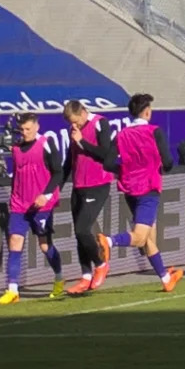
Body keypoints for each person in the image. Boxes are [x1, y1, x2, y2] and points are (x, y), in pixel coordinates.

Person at [75, 92, 182, 291]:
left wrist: (125, 170)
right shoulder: (154, 131)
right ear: (147, 112)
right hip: (148, 188)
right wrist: (158, 168)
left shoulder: (122, 134)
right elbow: (168, 162)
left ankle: (166, 279)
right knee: (140, 237)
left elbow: (107, 163)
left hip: (130, 189)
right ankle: (108, 241)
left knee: (149, 237)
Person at [0, 112, 66, 304]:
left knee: (44, 244)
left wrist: (46, 195)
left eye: (27, 129)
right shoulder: (16, 148)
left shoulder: (46, 144)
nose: (24, 133)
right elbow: (17, 176)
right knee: (15, 241)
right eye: (22, 129)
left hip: (41, 204)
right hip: (19, 204)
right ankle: (12, 289)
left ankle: (59, 278)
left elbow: (58, 173)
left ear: (36, 127)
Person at [61, 99, 116, 296]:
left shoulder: (101, 123)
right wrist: (57, 187)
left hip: (98, 184)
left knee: (83, 229)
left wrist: (82, 141)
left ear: (84, 112)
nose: (75, 126)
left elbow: (105, 153)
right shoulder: (73, 131)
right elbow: (69, 160)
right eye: (71, 123)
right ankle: (85, 276)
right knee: (79, 235)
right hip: (78, 185)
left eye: (77, 121)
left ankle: (101, 264)